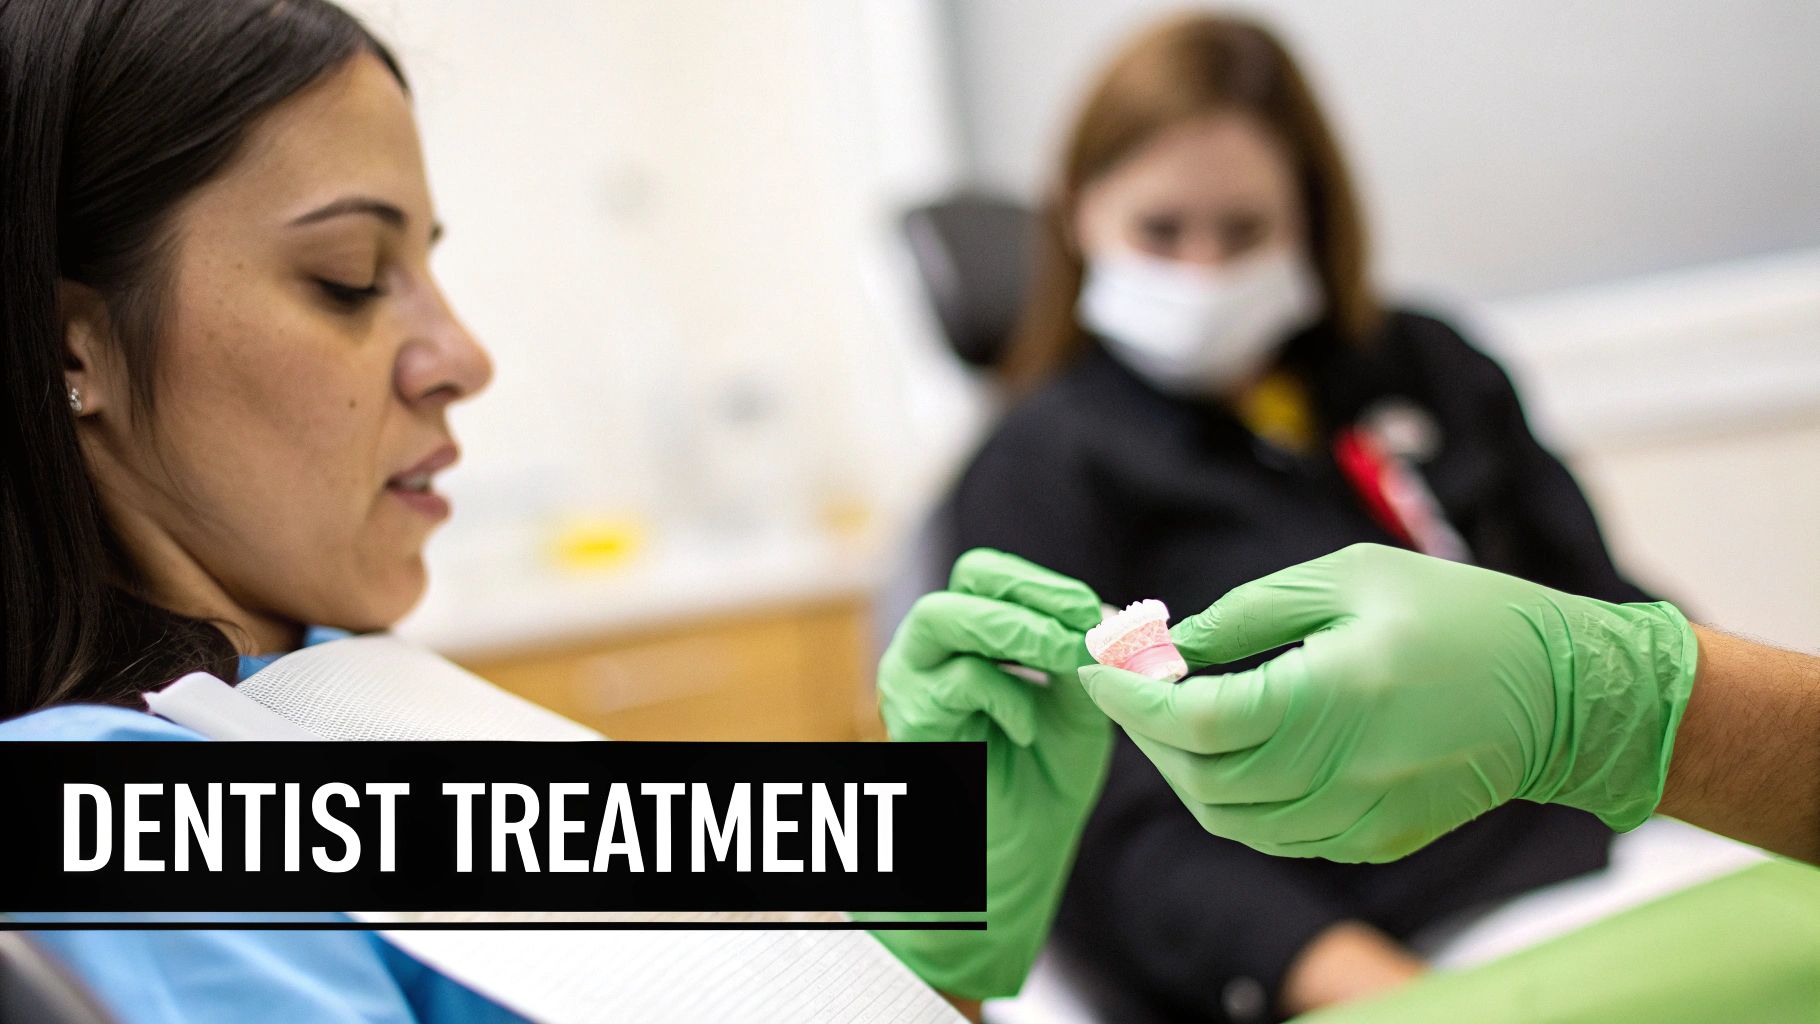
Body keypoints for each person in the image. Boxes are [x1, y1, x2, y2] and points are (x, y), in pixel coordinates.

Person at [0, 1, 1099, 1019]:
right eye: (346, 277)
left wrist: (913, 903)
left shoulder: (334, 688)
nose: (463, 357)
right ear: (69, 348)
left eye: (425, 268)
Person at [935, 12, 1651, 1021]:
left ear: (1310, 217)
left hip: (1617, 852)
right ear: (1078, 216)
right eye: (1159, 231)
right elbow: (1104, 821)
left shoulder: (1430, 369)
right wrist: (1391, 994)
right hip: (1386, 940)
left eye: (1242, 231)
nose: (1200, 273)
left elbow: (1613, 614)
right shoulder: (1039, 469)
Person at [1080, 542, 1820, 868]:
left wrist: (1609, 694)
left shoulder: (1424, 361)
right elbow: (1135, 848)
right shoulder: (1040, 465)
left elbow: (1602, 580)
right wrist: (968, 928)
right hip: (1436, 922)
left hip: (1648, 844)